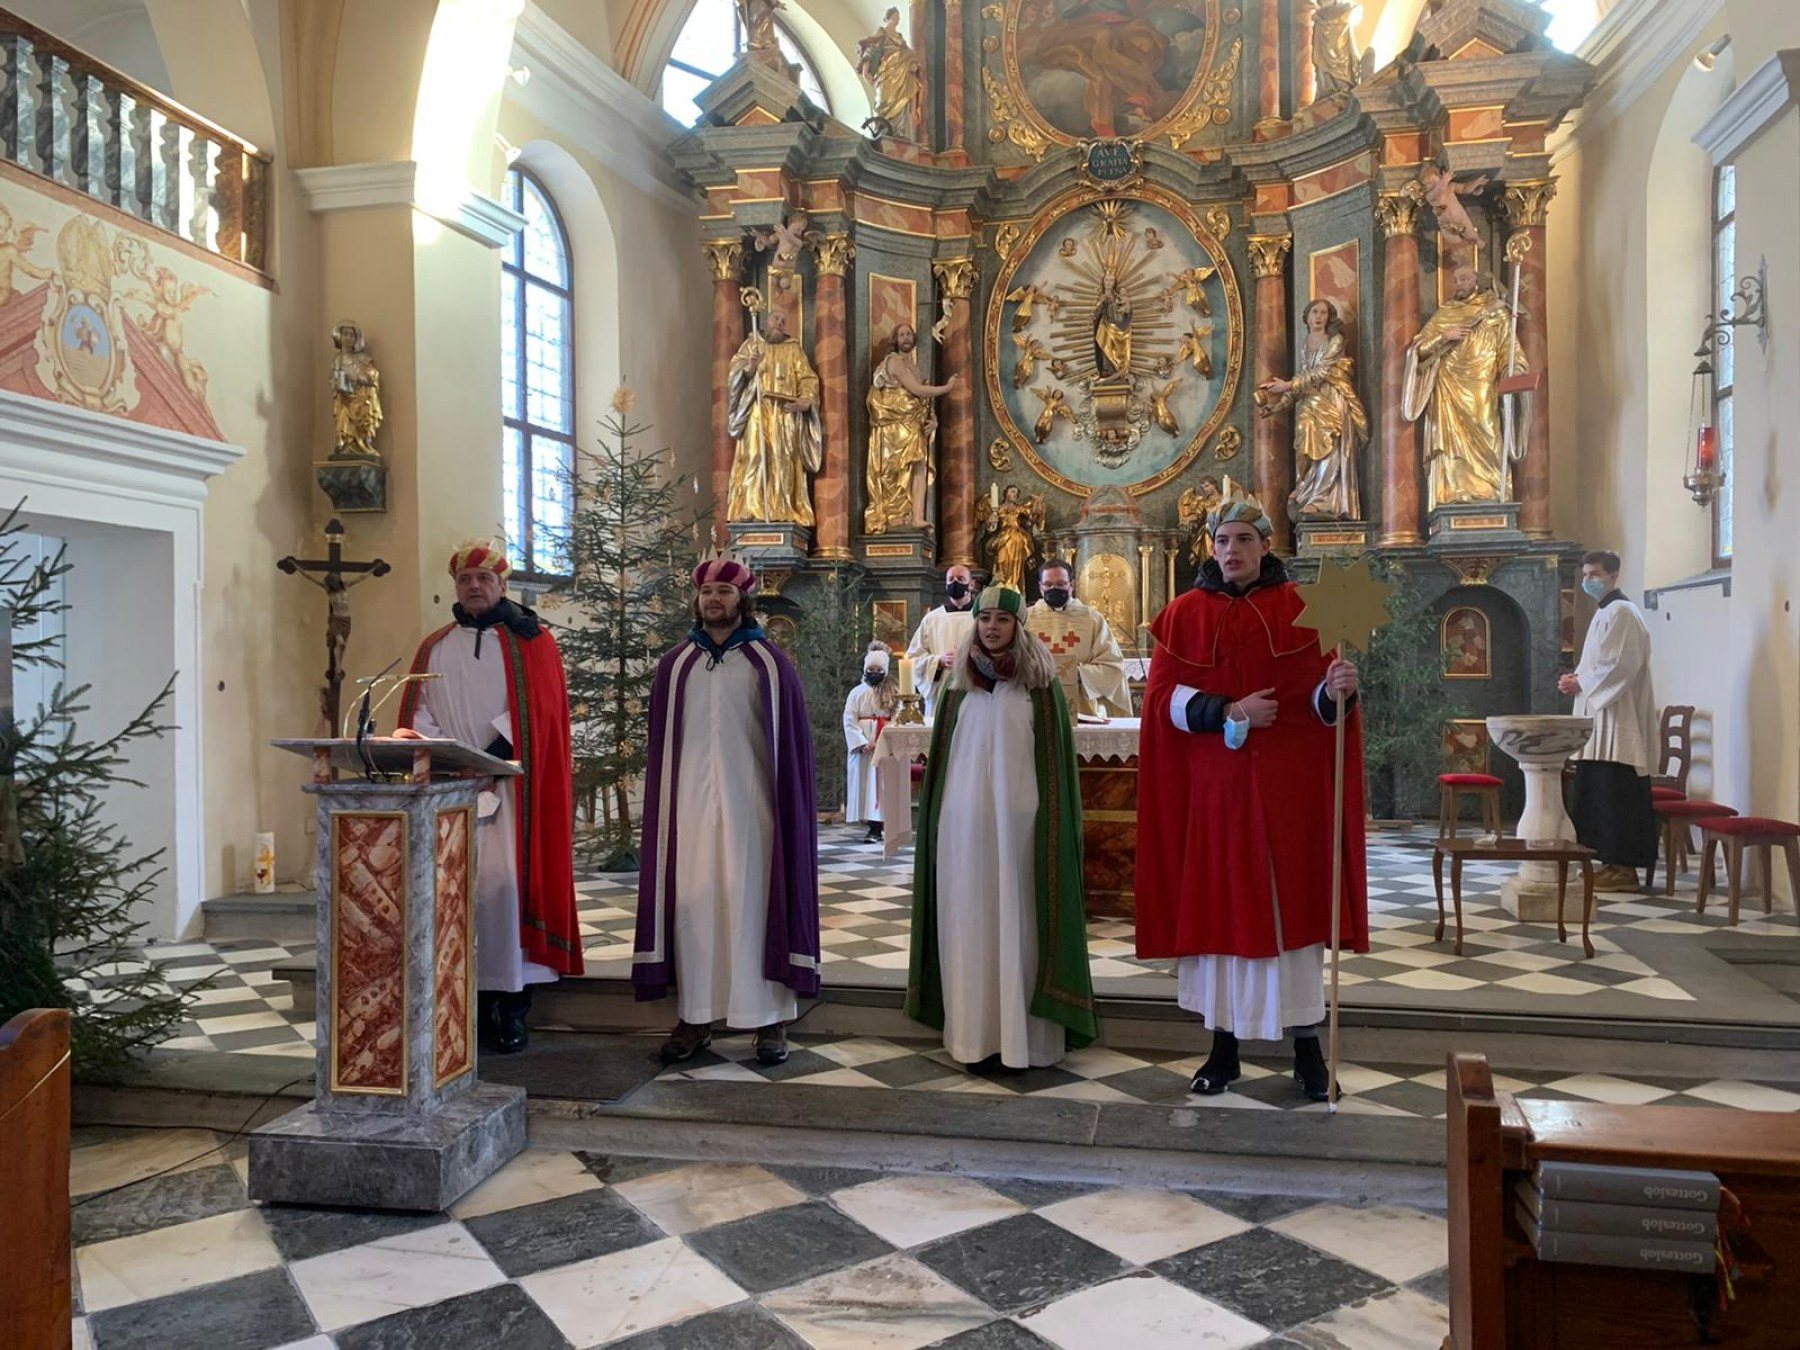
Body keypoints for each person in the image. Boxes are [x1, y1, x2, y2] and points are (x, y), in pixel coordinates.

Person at [1134, 496, 1367, 1102]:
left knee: (1294, 918)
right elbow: (1160, 702)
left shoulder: (1305, 608)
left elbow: (1318, 707)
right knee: (1223, 913)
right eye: (1221, 541)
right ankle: (1223, 1050)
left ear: (1265, 544)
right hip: (1218, 795)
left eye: (1242, 539)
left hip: (1288, 793)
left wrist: (1336, 692)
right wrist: (1227, 710)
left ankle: (1309, 1052)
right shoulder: (1182, 615)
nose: (1231, 550)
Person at [395, 540, 581, 1054]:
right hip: (450, 789)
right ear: (455, 587)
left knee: (507, 891)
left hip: (512, 786)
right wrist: (450, 759)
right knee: (458, 896)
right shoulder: (435, 646)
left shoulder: (532, 641)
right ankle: (466, 1008)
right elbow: (417, 712)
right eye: (465, 580)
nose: (474, 586)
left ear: (502, 585)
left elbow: (540, 713)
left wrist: (488, 759)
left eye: (484, 579)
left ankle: (513, 1007)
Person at [633, 556, 820, 1066]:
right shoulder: (676, 666)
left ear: (743, 599)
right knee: (694, 907)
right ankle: (696, 1016)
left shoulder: (770, 664)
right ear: (697, 600)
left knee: (754, 904)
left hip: (753, 809)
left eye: (724, 591)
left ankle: (770, 1018)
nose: (714, 599)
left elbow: (789, 750)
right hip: (689, 809)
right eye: (707, 592)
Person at [906, 585, 1098, 1068]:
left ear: (1018, 626)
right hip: (963, 828)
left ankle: (1024, 1042)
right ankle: (974, 1038)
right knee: (968, 921)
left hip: (1021, 826)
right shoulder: (957, 687)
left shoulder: (1039, 687)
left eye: (1003, 619)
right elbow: (945, 764)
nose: (992, 627)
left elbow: (1054, 767)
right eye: (985, 618)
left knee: (1020, 922)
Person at [1561, 550, 1658, 891]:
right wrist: (1576, 678)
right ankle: (1609, 863)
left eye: (1595, 574)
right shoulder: (1604, 612)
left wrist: (1582, 683)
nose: (1588, 580)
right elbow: (1597, 664)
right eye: (1585, 574)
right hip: (1601, 718)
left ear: (1613, 575)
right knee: (1600, 793)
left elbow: (1620, 666)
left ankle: (1624, 869)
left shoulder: (1622, 612)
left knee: (1618, 793)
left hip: (1618, 718)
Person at [1401, 261, 1527, 509]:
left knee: (1488, 431)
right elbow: (1419, 349)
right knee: (1450, 442)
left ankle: (1491, 492)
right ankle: (1453, 493)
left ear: (1476, 281)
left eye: (1464, 279)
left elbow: (1510, 349)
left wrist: (1513, 371)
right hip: (1449, 387)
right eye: (1456, 280)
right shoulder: (1445, 313)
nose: (1459, 284)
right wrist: (1444, 336)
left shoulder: (1496, 311)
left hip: (1483, 385)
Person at [726, 304, 822, 525]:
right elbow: (733, 376)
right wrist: (750, 367)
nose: (779, 323)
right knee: (754, 454)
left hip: (786, 412)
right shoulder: (752, 345)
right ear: (766, 321)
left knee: (783, 458)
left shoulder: (794, 349)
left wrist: (806, 400)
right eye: (775, 319)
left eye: (783, 321)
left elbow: (808, 378)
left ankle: (782, 509)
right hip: (757, 409)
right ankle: (750, 507)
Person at [1026, 560, 1133, 719]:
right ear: (1040, 587)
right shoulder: (1026, 618)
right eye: (1048, 584)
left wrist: (1077, 673)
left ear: (1072, 585)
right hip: (1035, 702)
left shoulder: (1092, 619)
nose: (1054, 589)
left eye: (1060, 584)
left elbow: (1112, 667)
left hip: (1082, 708)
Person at [905, 564, 977, 721]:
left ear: (971, 584)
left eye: (961, 579)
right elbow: (912, 659)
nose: (955, 582)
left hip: (975, 690)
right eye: (951, 579)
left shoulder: (981, 617)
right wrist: (938, 661)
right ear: (945, 585)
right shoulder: (932, 619)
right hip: (941, 693)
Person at [844, 641, 897, 844]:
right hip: (865, 746)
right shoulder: (856, 693)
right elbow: (849, 719)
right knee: (867, 785)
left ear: (885, 671)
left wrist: (886, 739)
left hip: (885, 742)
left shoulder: (893, 692)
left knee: (883, 785)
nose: (874, 673)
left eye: (879, 670)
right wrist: (861, 742)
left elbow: (899, 716)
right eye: (871, 670)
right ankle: (872, 825)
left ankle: (881, 825)